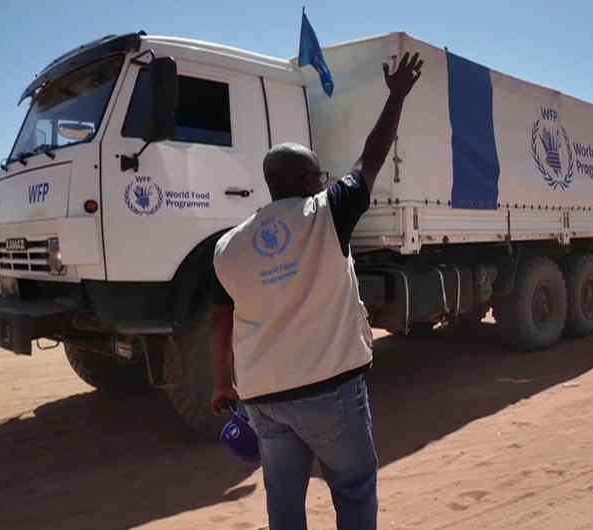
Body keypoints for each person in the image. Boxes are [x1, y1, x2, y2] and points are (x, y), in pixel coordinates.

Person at [208, 52, 424, 530]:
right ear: (309, 182)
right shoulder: (327, 213)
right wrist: (396, 96)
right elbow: (373, 156)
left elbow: (221, 323)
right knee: (353, 489)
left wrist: (223, 383)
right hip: (331, 393)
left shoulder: (227, 247)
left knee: (283, 507)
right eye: (318, 179)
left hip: (264, 400)